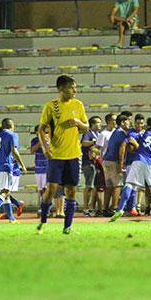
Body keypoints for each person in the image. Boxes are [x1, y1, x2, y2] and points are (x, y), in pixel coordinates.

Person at [36, 75, 89, 235]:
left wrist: (79, 123)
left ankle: (67, 227)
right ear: (62, 89)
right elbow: (41, 129)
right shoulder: (51, 106)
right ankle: (43, 222)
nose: (75, 90)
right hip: (56, 155)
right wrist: (45, 148)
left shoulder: (78, 105)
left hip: (74, 155)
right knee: (51, 189)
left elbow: (86, 128)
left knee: (71, 191)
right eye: (72, 87)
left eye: (75, 87)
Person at [110, 117, 151, 222]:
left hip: (137, 160)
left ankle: (119, 209)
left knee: (129, 184)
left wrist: (133, 142)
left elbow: (131, 139)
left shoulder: (145, 134)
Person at [101, 115, 130, 216]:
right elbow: (122, 148)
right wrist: (121, 162)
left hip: (106, 160)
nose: (129, 124)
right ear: (122, 123)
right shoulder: (121, 133)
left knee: (109, 185)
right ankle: (114, 208)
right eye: (127, 121)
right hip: (114, 161)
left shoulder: (115, 132)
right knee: (117, 184)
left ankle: (105, 208)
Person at [121, 114, 145, 216]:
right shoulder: (131, 134)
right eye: (138, 123)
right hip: (131, 162)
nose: (140, 125)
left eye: (141, 123)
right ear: (134, 123)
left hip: (140, 162)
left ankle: (130, 208)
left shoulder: (144, 134)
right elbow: (126, 147)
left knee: (135, 186)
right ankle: (130, 208)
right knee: (131, 185)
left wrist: (136, 145)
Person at [81, 116, 101, 216]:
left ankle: (93, 207)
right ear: (92, 124)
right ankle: (85, 208)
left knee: (95, 186)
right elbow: (83, 143)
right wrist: (95, 142)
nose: (99, 124)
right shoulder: (88, 133)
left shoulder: (98, 134)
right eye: (97, 122)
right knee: (89, 186)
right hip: (88, 162)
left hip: (96, 163)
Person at [30, 125, 49, 218]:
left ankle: (43, 209)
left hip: (47, 167)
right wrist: (41, 142)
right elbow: (32, 150)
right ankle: (44, 207)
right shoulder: (34, 140)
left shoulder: (49, 140)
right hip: (38, 168)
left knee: (46, 189)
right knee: (41, 190)